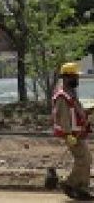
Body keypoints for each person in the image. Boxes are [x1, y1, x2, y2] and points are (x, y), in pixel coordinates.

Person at [53, 62, 93, 200]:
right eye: (75, 76)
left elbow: (76, 112)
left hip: (77, 134)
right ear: (66, 77)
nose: (77, 79)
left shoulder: (71, 93)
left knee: (85, 159)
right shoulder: (62, 96)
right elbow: (63, 116)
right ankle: (71, 184)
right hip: (72, 134)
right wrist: (68, 134)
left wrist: (89, 111)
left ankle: (81, 187)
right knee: (84, 159)